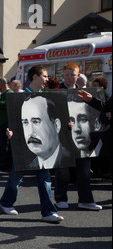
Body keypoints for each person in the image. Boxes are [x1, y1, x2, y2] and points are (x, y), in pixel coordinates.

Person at [0, 65, 64, 223]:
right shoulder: (20, 96)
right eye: (45, 76)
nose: (47, 80)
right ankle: (6, 202)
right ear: (35, 76)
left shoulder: (45, 97)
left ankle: (48, 211)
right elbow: (13, 121)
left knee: (44, 177)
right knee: (16, 176)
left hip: (42, 146)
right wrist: (10, 132)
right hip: (23, 144)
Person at [54, 62, 102, 211]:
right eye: (67, 75)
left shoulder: (85, 93)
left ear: (78, 76)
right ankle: (61, 198)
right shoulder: (55, 92)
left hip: (83, 137)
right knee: (63, 170)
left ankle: (86, 200)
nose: (70, 78)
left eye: (73, 75)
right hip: (63, 136)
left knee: (84, 171)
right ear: (63, 76)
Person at [20, 95, 72, 169]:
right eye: (25, 122)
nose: (30, 132)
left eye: (36, 122)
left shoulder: (69, 159)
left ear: (56, 125)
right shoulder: (31, 165)